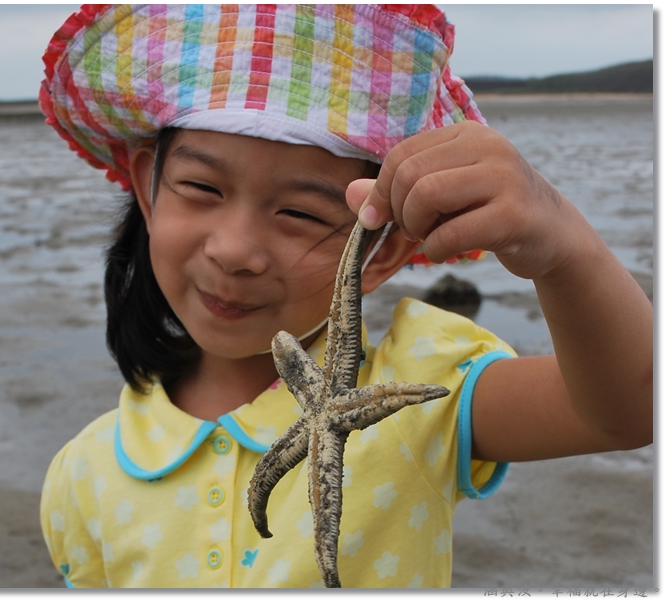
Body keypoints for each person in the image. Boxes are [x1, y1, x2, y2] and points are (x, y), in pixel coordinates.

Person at [38, 4, 652, 588]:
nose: (235, 250)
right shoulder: (83, 473)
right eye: (202, 187)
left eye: (299, 214)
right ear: (148, 187)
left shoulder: (419, 396)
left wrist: (565, 250)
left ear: (379, 252)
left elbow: (635, 407)